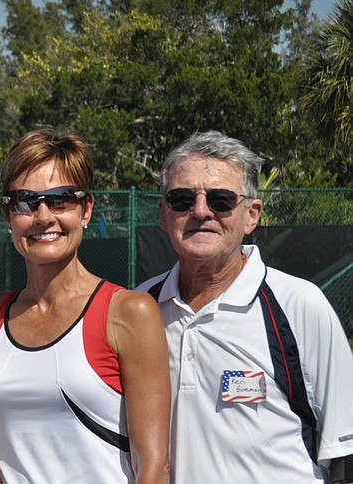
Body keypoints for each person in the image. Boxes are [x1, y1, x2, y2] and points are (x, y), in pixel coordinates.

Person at [136, 130, 353, 483]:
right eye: (181, 199)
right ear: (163, 215)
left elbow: (345, 450)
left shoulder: (298, 304)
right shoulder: (139, 308)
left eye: (220, 200)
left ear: (251, 215)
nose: (200, 211)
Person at [0, 129, 171, 484]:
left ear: (86, 208)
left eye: (60, 199)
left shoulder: (128, 312)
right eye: (26, 201)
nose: (44, 216)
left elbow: (153, 465)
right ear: (7, 215)